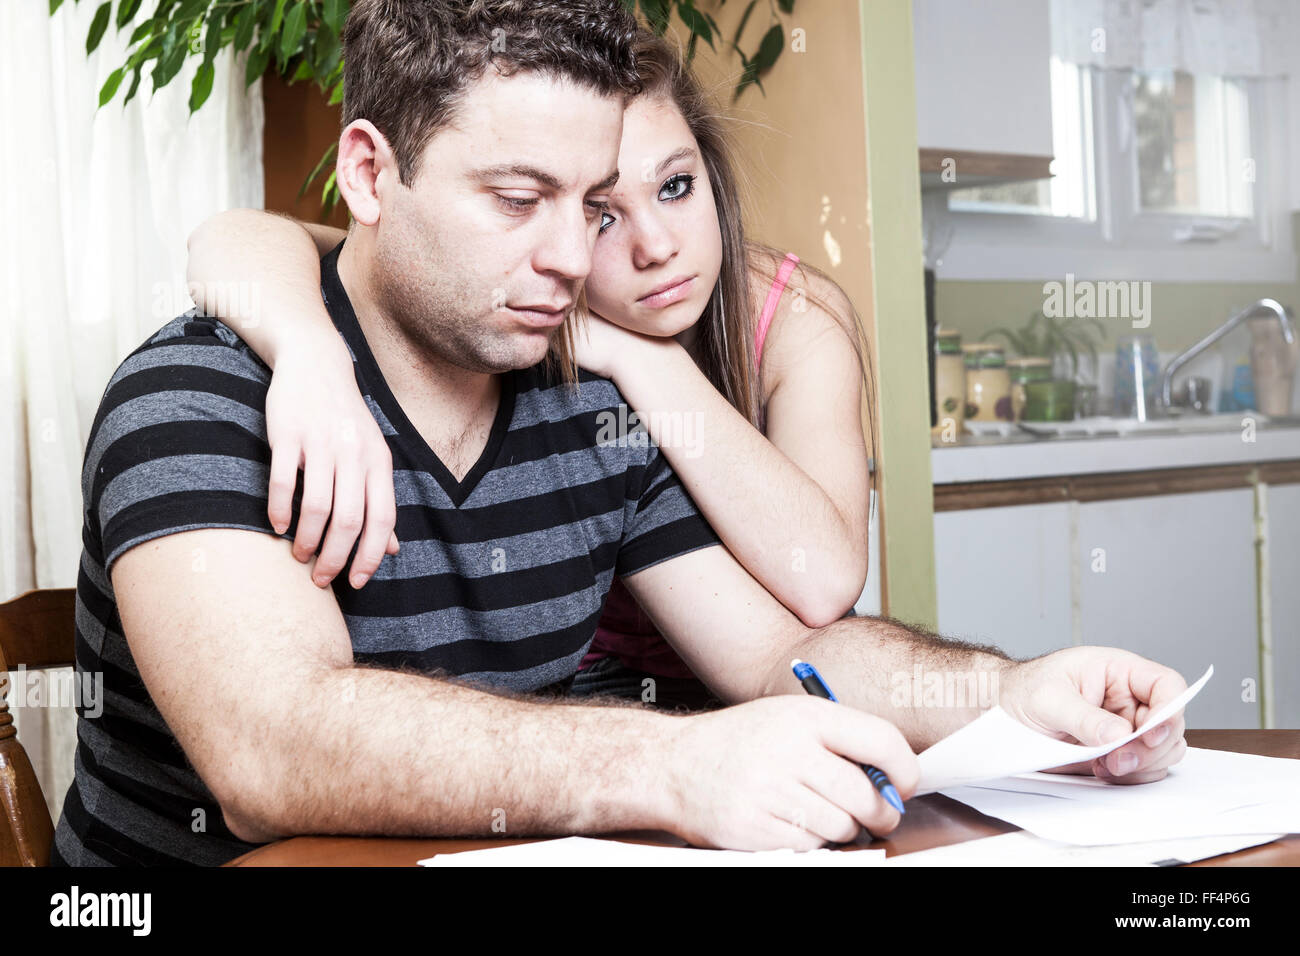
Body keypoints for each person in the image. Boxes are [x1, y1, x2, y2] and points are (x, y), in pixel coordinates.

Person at [52, 0, 1187, 867]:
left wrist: (1004, 694)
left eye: (586, 204)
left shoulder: (586, 405)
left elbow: (776, 654)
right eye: (515, 197)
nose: (569, 256)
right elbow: (272, 748)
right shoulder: (196, 394)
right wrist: (670, 762)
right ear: (369, 172)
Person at [185, 31, 876, 712]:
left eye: (675, 186)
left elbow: (821, 587)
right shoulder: (491, 295)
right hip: (583, 705)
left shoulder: (791, 318)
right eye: (604, 214)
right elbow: (237, 241)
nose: (659, 247)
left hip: (767, 680)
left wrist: (640, 358)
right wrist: (311, 354)